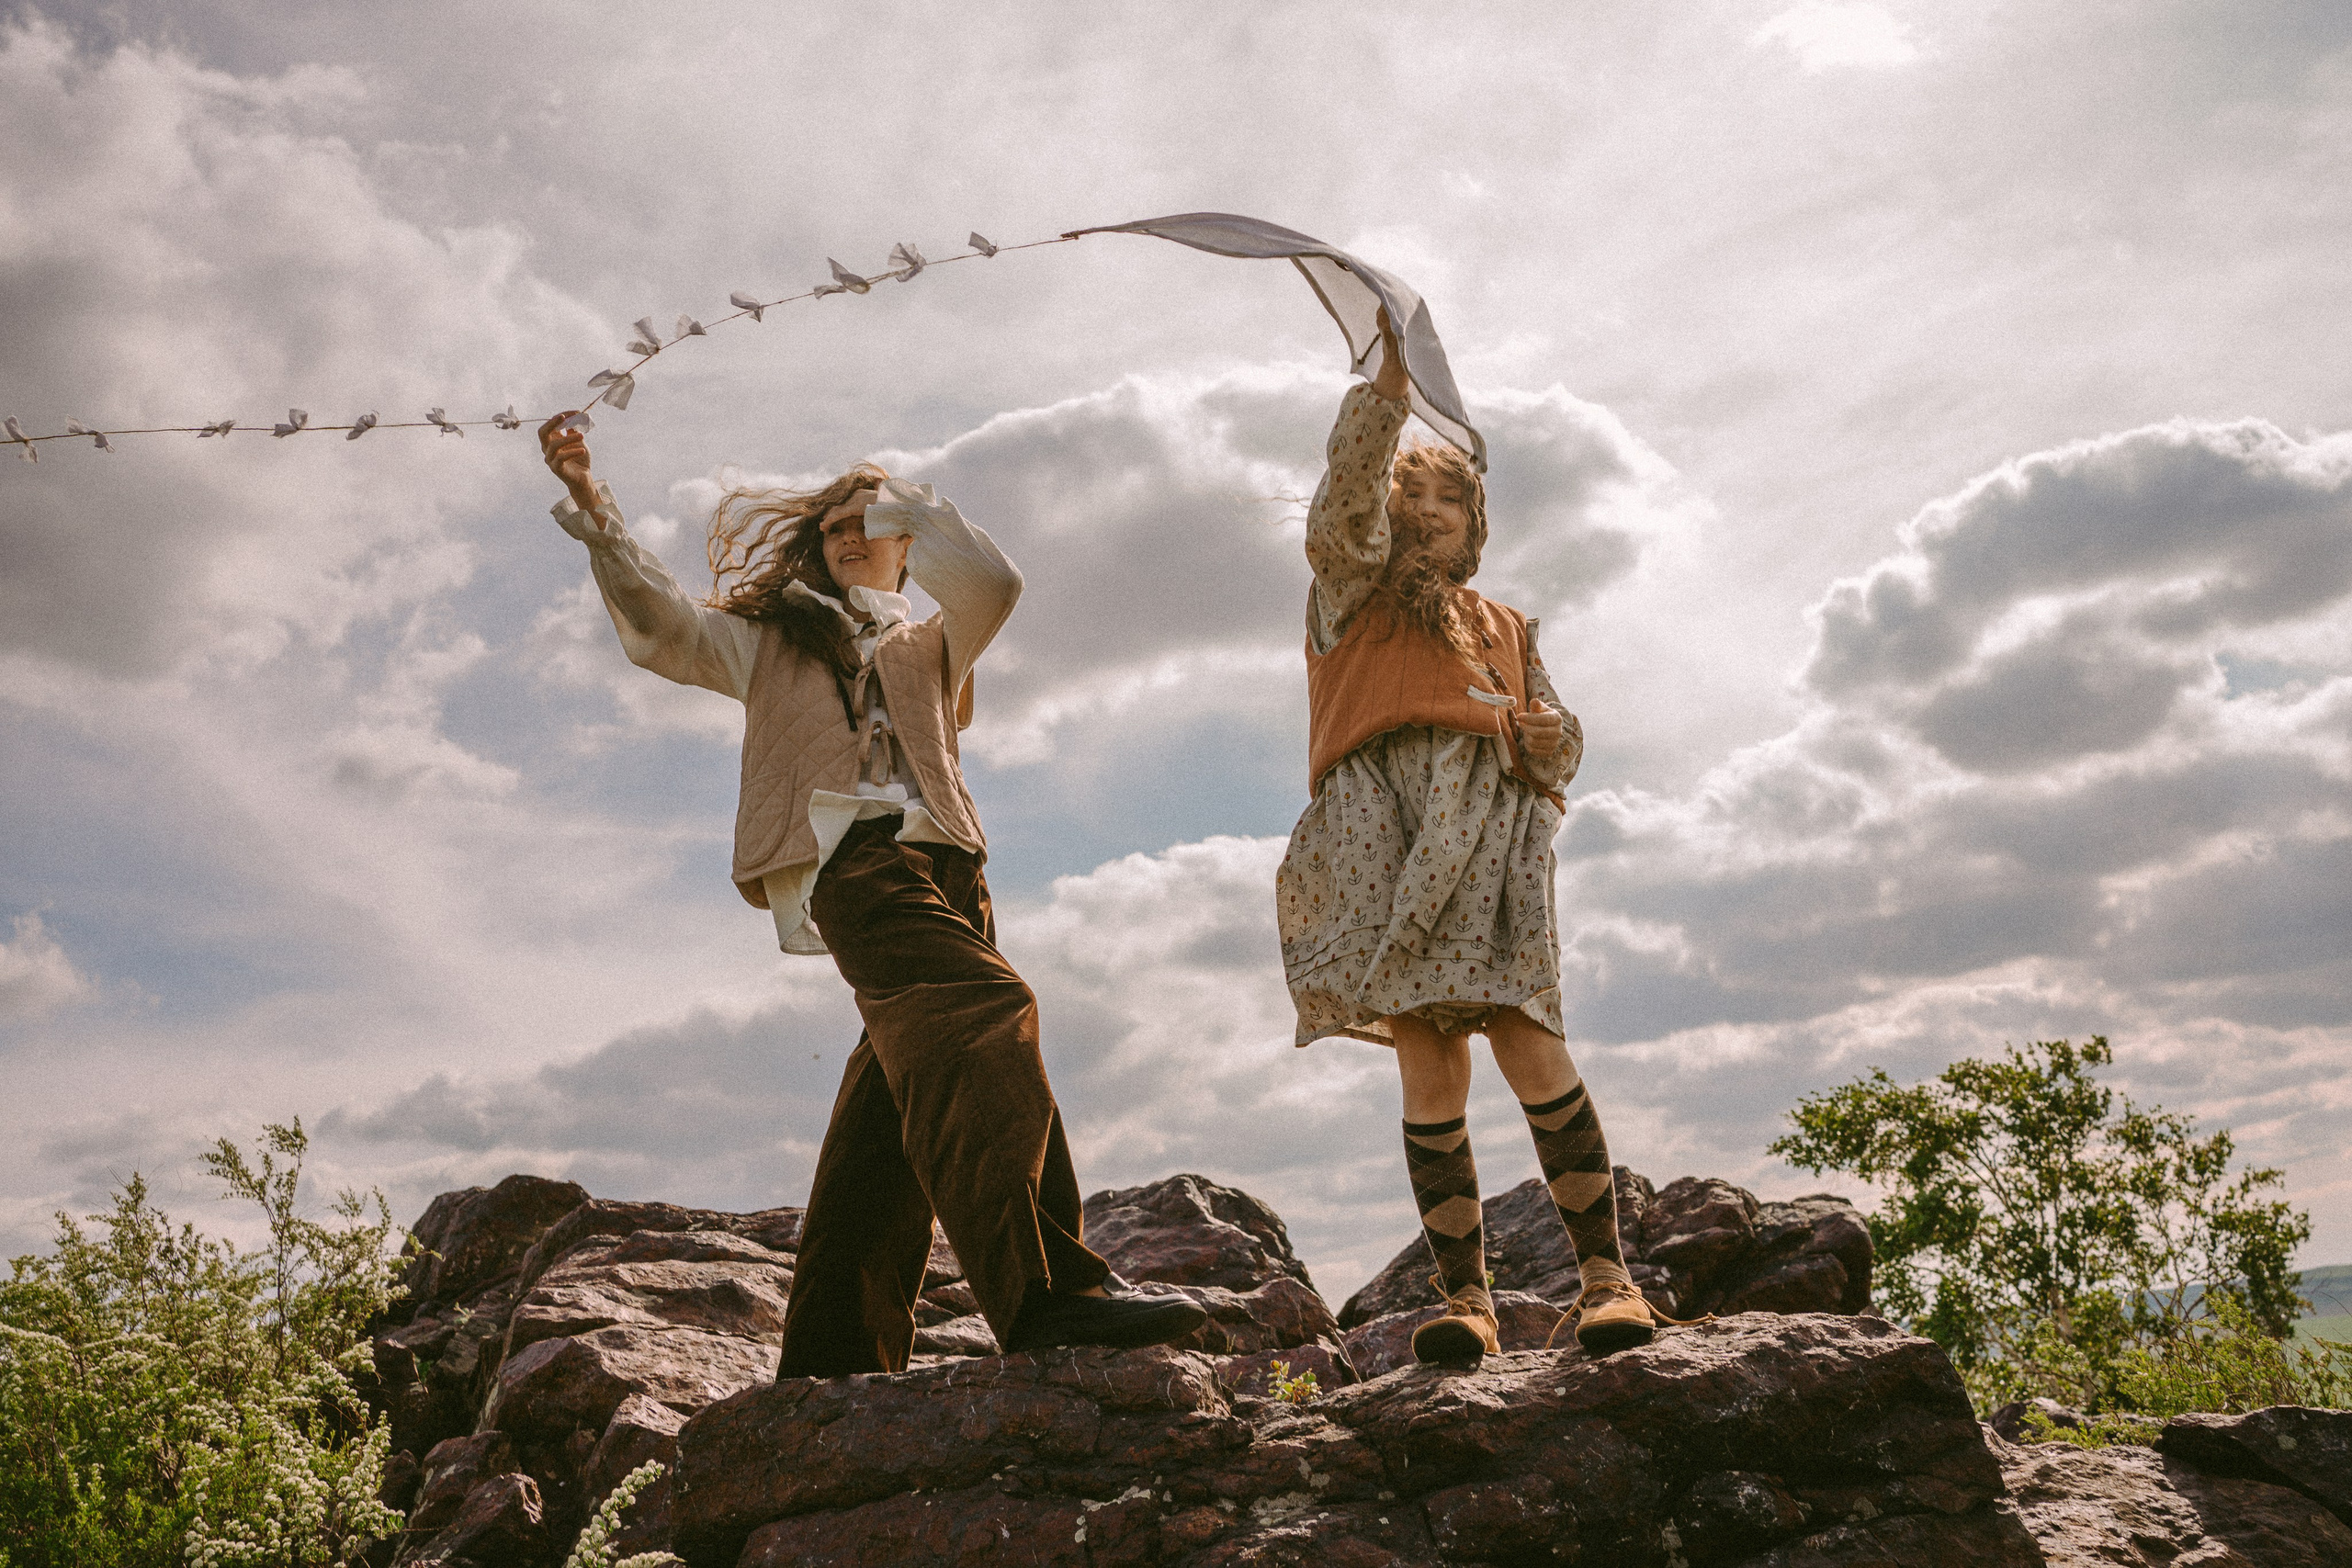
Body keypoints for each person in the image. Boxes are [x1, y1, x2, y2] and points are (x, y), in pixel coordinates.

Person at [537, 414, 1205, 1375]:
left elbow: (995, 583)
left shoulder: (934, 644)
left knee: (888, 1125)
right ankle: (1051, 1296)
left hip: (955, 871)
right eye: (833, 525)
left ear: (906, 545)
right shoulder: (766, 641)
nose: (850, 535)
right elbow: (665, 625)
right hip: (855, 859)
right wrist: (596, 507)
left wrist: (902, 497)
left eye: (872, 521)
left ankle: (831, 1360)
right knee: (989, 1010)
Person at [1274, 316, 1660, 1363]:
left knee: (1529, 1041)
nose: (1430, 512)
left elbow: (1559, 738)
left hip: (1489, 837)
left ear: (1476, 524)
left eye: (1451, 498)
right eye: (1411, 495)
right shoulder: (1346, 594)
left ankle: (1605, 1281)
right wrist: (1386, 399)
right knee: (1428, 1059)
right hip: (1380, 834)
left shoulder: (1506, 623)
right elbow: (1340, 507)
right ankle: (1465, 1303)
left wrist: (1552, 738)